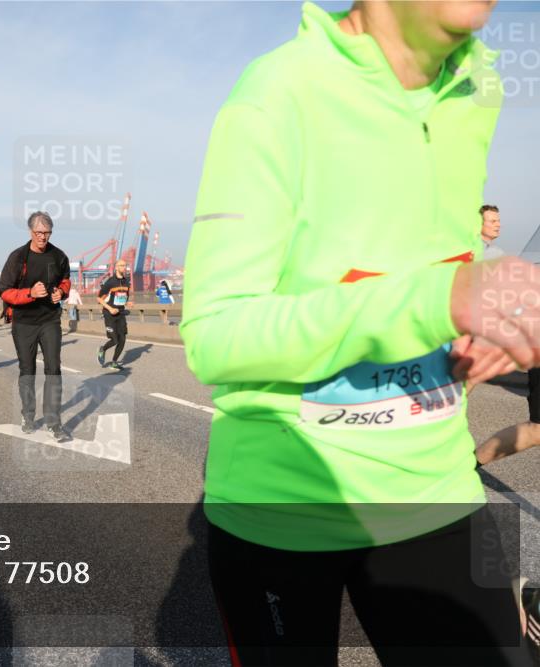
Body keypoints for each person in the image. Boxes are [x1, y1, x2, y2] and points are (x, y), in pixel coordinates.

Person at [180, 2, 537, 665]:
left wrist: (473, 317)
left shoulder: (479, 88)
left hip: (433, 487)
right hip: (284, 505)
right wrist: (438, 299)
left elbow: (434, 254)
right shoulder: (277, 91)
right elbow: (215, 331)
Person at [0, 211, 72, 442]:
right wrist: (29, 293)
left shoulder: (59, 256)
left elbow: (66, 280)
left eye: (47, 233)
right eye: (39, 233)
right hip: (24, 322)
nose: (43, 237)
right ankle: (28, 416)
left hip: (49, 319)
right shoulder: (18, 258)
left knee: (53, 368)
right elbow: (5, 291)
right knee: (27, 370)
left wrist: (62, 292)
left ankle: (53, 422)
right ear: (31, 231)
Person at [97, 259, 131, 370]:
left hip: (120, 313)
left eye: (125, 265)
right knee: (114, 340)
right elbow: (99, 299)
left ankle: (114, 362)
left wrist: (127, 302)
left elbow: (123, 297)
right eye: (121, 265)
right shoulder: (110, 282)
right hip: (109, 314)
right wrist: (110, 309)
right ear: (116, 267)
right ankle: (102, 349)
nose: (124, 268)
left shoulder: (127, 282)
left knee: (122, 339)